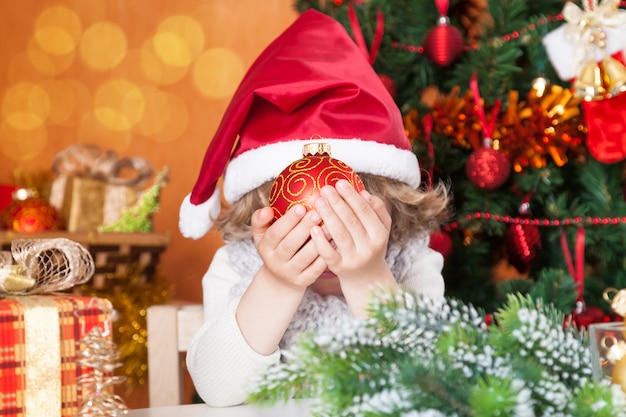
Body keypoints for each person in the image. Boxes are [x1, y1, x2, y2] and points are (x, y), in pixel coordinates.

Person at [178, 9, 450, 407]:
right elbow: (216, 390)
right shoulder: (237, 266)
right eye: (299, 220)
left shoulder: (411, 263)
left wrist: (367, 276)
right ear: (262, 210)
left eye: (347, 213)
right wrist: (277, 283)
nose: (322, 238)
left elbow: (428, 387)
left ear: (389, 206)